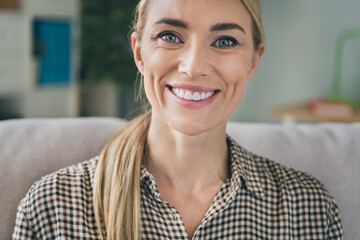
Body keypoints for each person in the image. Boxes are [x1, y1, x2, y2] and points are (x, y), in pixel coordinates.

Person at [13, 0, 343, 239]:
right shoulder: (52, 206)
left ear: (253, 61)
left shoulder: (308, 208)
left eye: (225, 41)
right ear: (139, 52)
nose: (194, 65)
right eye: (171, 36)